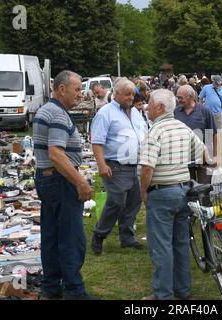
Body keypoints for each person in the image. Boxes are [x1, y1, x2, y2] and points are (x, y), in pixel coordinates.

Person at [139, 89, 211, 300]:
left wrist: (143, 190)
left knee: (161, 247)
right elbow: (205, 154)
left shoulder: (155, 132)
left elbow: (147, 168)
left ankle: (163, 294)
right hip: (183, 191)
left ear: (160, 108)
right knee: (180, 243)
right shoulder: (183, 128)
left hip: (162, 193)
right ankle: (182, 290)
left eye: (150, 104)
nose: (147, 107)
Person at [33, 70, 98, 300]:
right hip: (60, 181)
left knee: (51, 235)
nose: (80, 94)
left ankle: (51, 288)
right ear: (62, 89)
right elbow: (56, 154)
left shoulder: (45, 110)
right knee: (71, 238)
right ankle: (74, 291)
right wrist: (80, 182)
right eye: (77, 89)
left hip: (46, 179)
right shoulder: (59, 115)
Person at [90, 77, 148, 255]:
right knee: (116, 201)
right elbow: (97, 142)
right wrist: (101, 165)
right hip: (115, 165)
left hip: (136, 165)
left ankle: (127, 237)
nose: (131, 97)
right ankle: (99, 234)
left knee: (134, 201)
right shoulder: (105, 113)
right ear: (116, 94)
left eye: (133, 94)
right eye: (127, 94)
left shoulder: (136, 113)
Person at [174, 85, 218, 184]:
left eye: (181, 98)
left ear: (191, 97)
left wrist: (215, 156)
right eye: (177, 97)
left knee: (205, 189)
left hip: (204, 158)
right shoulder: (175, 112)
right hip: (184, 159)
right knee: (188, 190)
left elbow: (214, 134)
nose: (178, 100)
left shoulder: (204, 111)